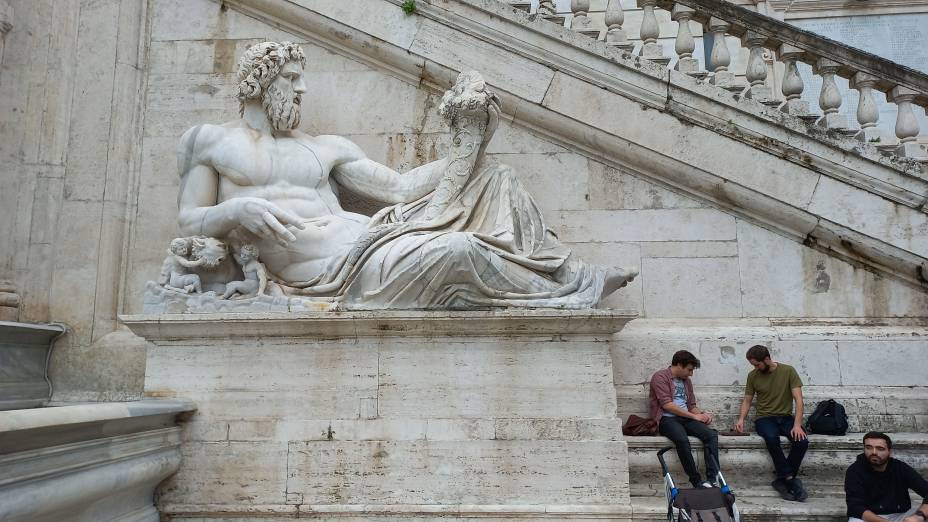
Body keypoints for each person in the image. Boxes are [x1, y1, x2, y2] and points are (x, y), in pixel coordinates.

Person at [175, 41, 636, 309]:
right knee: (459, 248)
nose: (303, 88)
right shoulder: (210, 141)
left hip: (374, 238)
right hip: (332, 272)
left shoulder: (324, 148)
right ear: (262, 80)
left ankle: (569, 275)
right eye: (293, 79)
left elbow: (400, 187)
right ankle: (569, 292)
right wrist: (236, 208)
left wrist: (470, 143)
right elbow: (189, 219)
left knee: (496, 176)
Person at [734, 344, 809, 502]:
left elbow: (799, 399)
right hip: (764, 418)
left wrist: (797, 425)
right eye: (753, 365)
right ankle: (790, 480)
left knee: (802, 441)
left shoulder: (788, 371)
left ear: (767, 359)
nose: (755, 368)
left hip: (786, 418)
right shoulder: (753, 376)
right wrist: (741, 419)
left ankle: (781, 480)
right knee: (771, 437)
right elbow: (747, 400)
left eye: (757, 364)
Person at [649, 350, 720, 489]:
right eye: (689, 369)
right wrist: (694, 416)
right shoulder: (660, 377)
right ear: (679, 365)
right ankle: (697, 481)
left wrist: (703, 414)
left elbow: (691, 406)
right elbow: (667, 405)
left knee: (711, 435)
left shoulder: (686, 382)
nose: (691, 373)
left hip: (686, 417)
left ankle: (713, 478)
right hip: (667, 419)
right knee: (682, 440)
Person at [845, 432, 928, 522]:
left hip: (901, 514)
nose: (874, 452)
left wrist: (919, 516)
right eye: (868, 447)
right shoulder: (854, 471)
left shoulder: (900, 468)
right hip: (869, 517)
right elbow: (855, 507)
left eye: (880, 449)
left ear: (889, 451)